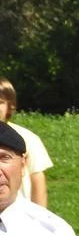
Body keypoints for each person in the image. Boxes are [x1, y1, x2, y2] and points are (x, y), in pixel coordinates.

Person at [0, 78, 53, 207]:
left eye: (0, 102)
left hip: (17, 210)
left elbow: (37, 179)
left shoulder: (27, 138)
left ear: (9, 106)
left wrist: (39, 214)